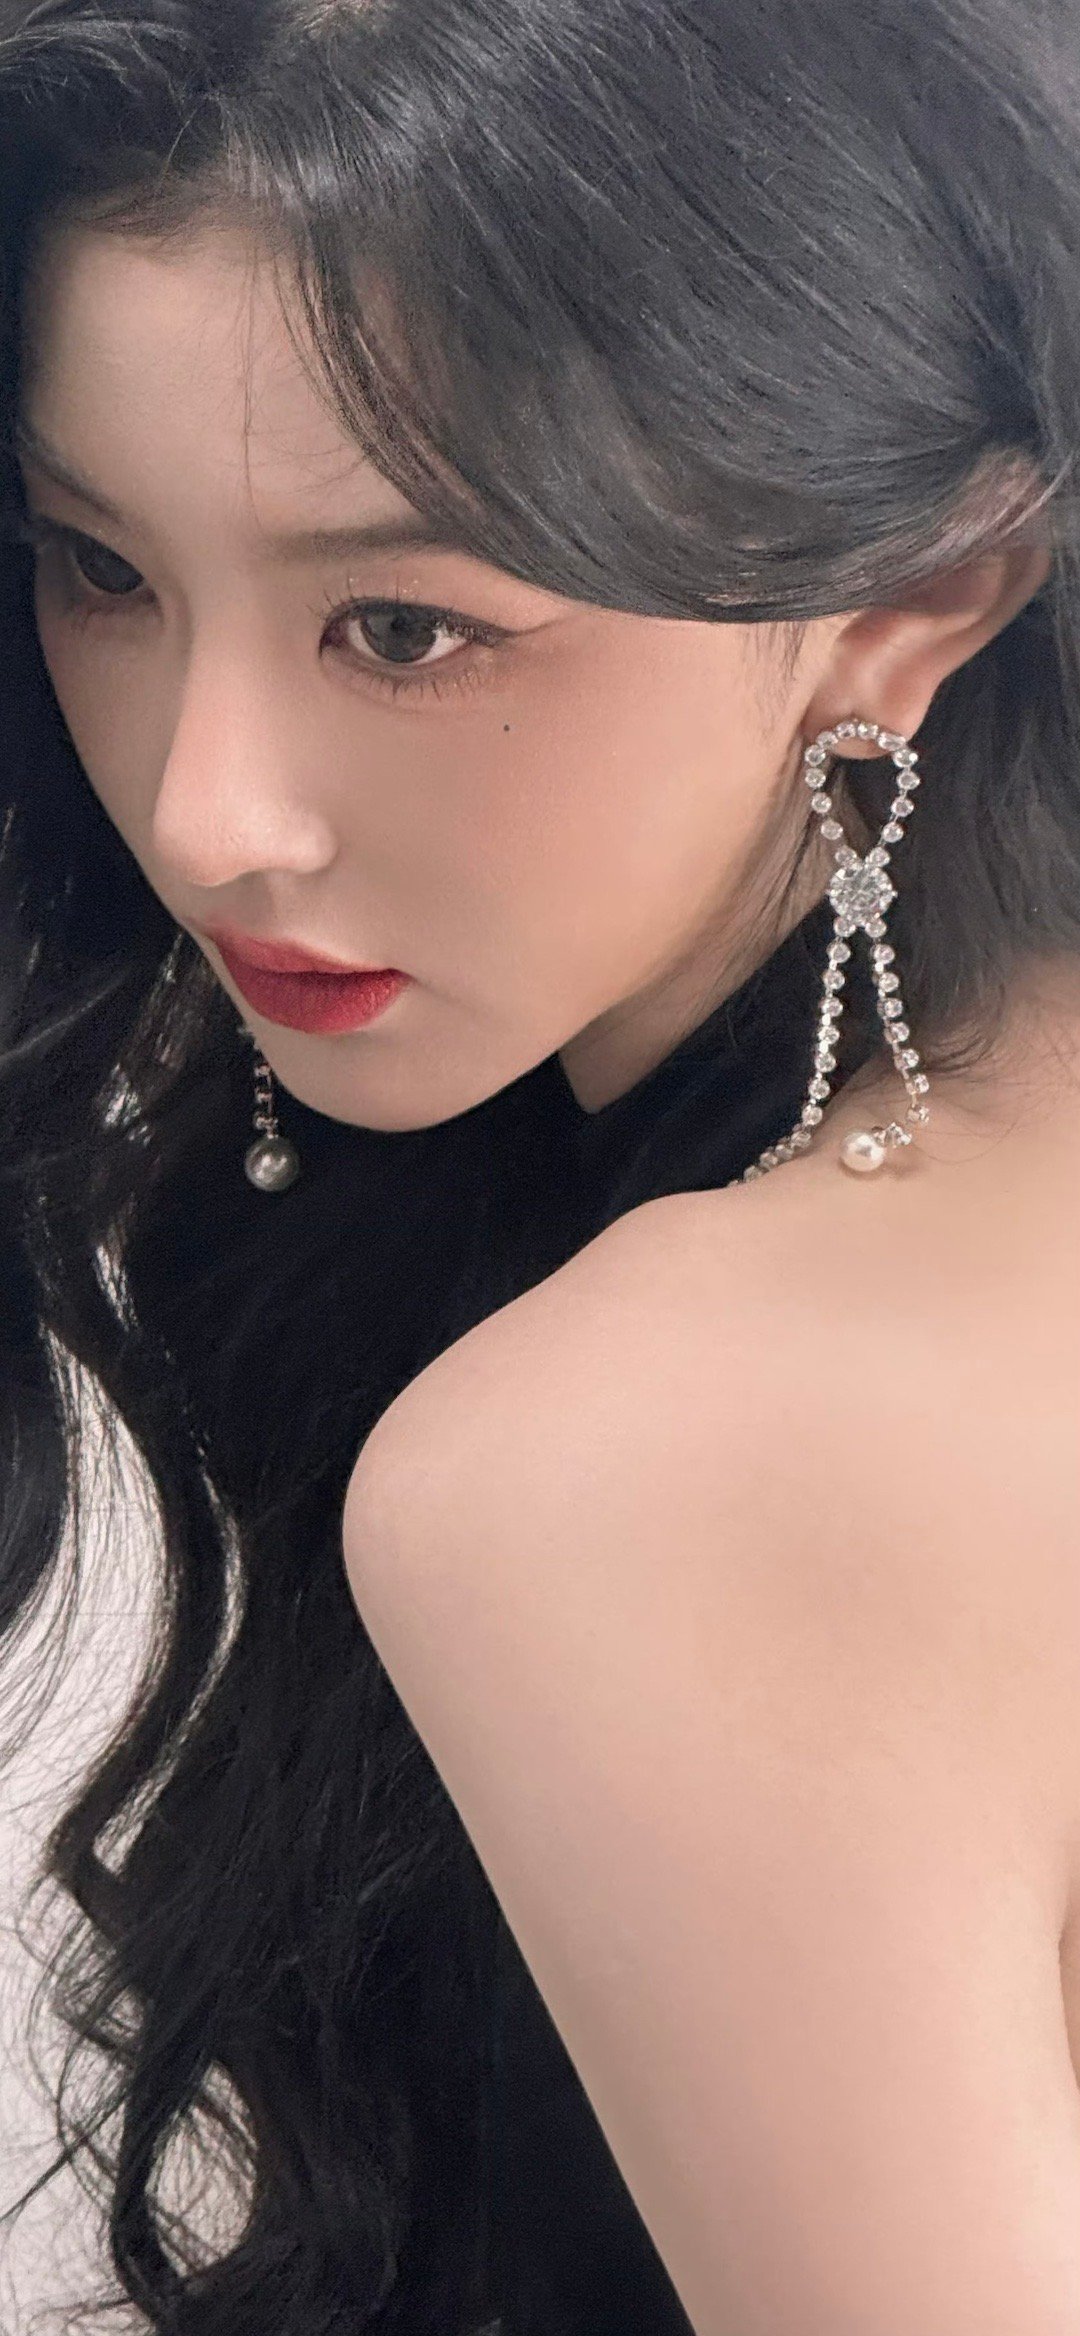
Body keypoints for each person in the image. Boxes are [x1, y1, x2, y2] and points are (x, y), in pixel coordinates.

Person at [0, 0, 1079, 2329]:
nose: (205, 811)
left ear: (922, 599)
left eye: (404, 625)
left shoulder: (638, 1468)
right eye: (98, 568)